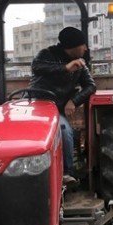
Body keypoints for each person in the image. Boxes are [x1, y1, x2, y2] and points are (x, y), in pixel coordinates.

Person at [30, 27, 96, 181]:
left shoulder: (80, 64)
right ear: (73, 46)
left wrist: (74, 101)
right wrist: (65, 68)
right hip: (38, 106)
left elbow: (91, 86)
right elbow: (37, 67)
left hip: (57, 110)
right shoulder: (46, 54)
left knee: (64, 130)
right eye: (83, 44)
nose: (86, 48)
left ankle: (67, 173)